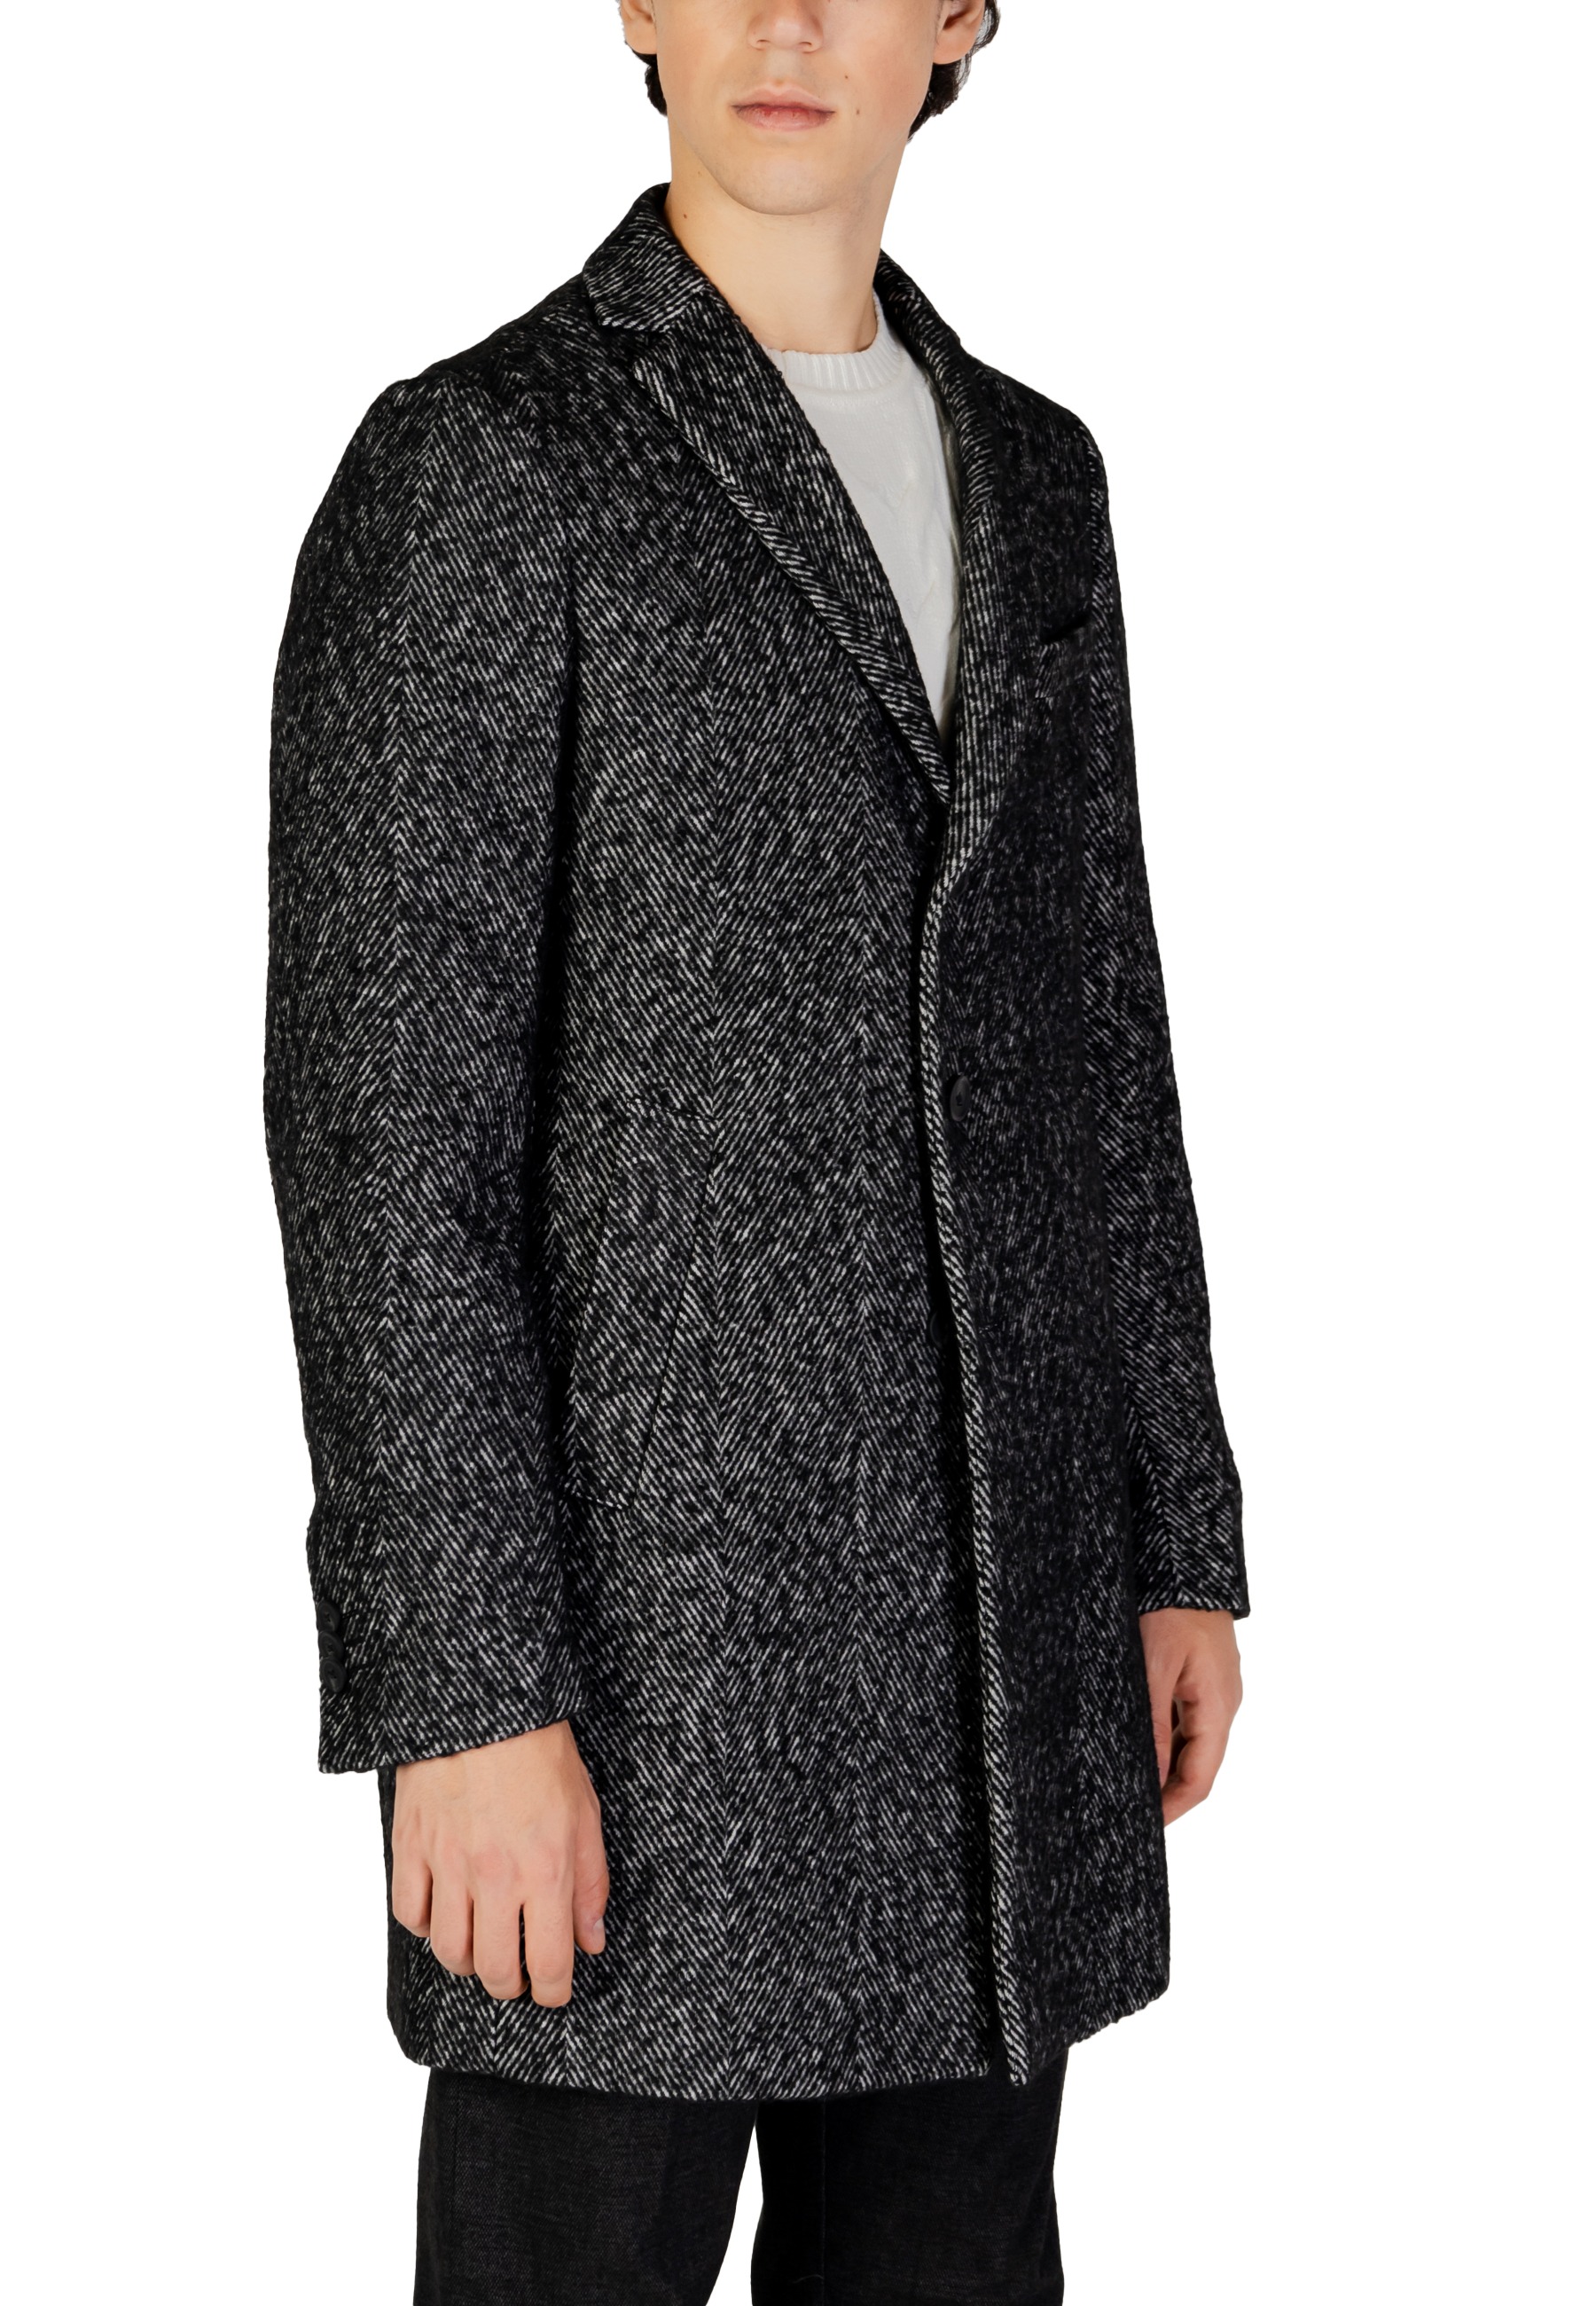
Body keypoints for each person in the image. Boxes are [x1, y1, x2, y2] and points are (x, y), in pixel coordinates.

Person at [263, 4, 1249, 2298]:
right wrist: (463, 1696)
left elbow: (1101, 1037)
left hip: (1001, 1657)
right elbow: (385, 1127)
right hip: (635, 1675)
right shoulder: (487, 460)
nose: (786, 22)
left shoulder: (1037, 472)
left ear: (960, 19)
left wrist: (1170, 1531)